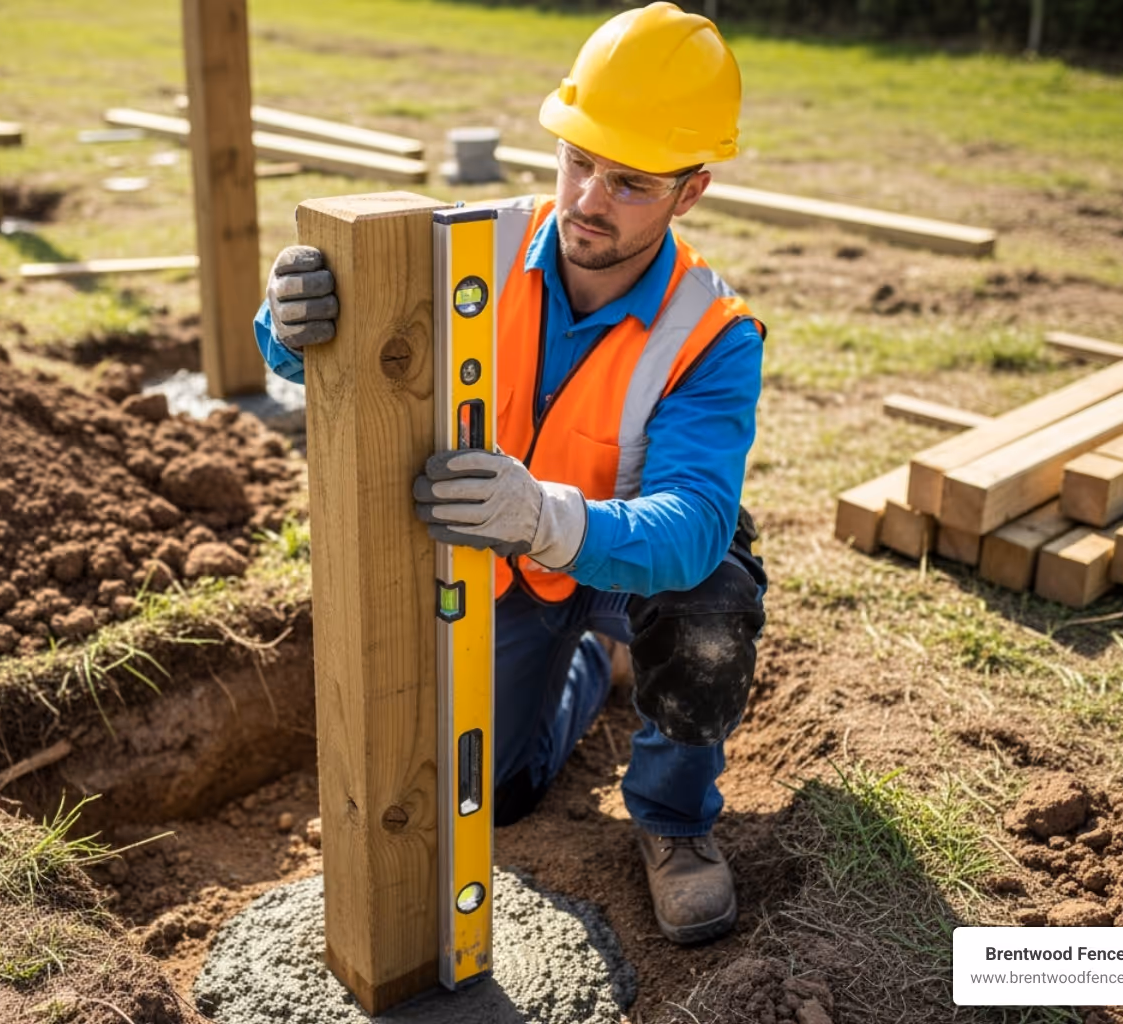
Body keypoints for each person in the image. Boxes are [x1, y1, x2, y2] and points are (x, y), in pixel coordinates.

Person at [253, 2, 767, 946]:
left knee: (711, 605)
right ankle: (598, 668)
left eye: (630, 182)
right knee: (500, 794)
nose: (587, 200)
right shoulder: (476, 251)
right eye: (578, 161)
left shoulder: (713, 333)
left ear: (689, 192)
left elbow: (692, 523)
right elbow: (334, 350)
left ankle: (673, 823)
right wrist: (287, 324)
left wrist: (542, 516)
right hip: (516, 573)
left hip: (633, 570)